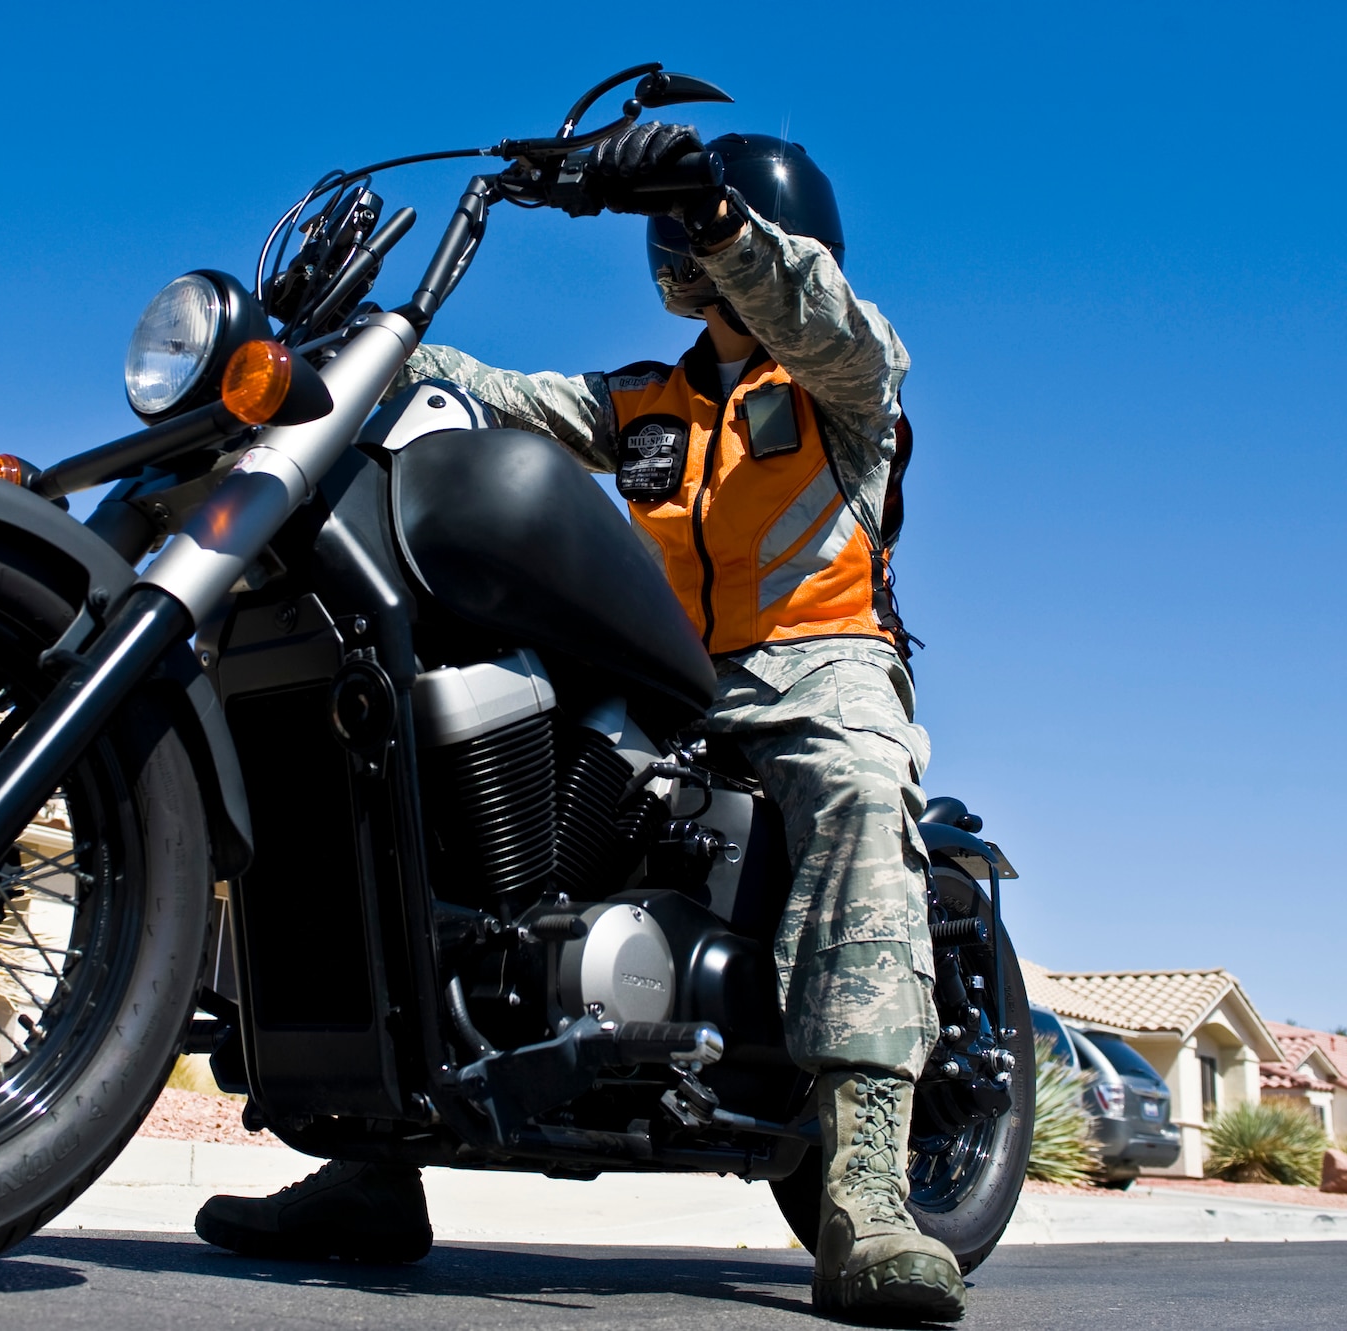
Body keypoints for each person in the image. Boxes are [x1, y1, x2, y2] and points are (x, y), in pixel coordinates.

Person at [195, 126, 966, 1323]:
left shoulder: (845, 377)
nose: (685, 253)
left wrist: (717, 213)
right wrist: (358, 344)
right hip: (666, 672)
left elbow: (816, 318)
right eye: (679, 229)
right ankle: (373, 1158)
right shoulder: (644, 403)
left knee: (856, 793)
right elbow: (500, 399)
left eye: (700, 228)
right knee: (413, 763)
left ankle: (864, 1185)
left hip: (819, 667)